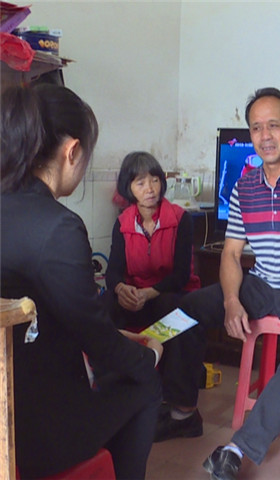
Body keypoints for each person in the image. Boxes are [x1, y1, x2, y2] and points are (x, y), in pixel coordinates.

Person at [0, 84, 163, 479]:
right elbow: (99, 344)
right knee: (145, 384)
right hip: (34, 437)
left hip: (4, 415)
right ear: (72, 151)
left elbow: (58, 320)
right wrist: (150, 356)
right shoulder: (59, 227)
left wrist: (111, 335)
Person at [179, 87, 280, 480]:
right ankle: (179, 410)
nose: (265, 135)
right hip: (263, 283)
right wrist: (231, 301)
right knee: (187, 309)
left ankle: (237, 450)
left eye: (273, 126)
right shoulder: (244, 187)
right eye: (256, 128)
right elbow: (231, 254)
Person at [103, 151, 204, 442]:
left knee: (176, 313)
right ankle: (110, 394)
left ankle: (183, 413)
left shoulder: (180, 219)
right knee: (103, 308)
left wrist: (147, 293)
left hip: (171, 294)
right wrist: (121, 290)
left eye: (155, 180)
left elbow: (181, 275)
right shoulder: (123, 223)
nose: (150, 189)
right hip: (137, 297)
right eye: (140, 183)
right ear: (128, 189)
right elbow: (113, 272)